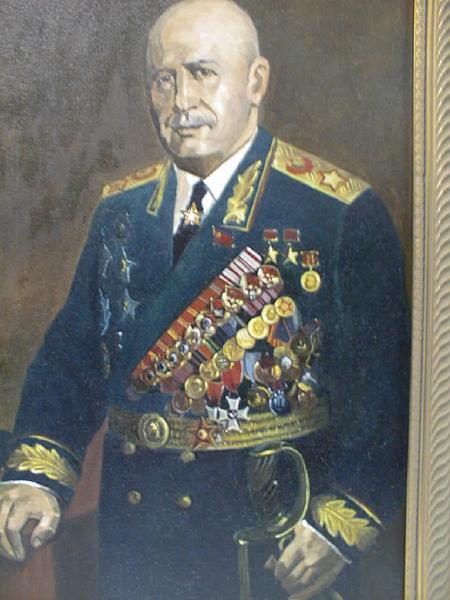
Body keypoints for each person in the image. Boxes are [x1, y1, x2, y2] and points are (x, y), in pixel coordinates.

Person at [0, 1, 410, 599]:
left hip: (262, 536)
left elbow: (389, 398)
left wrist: (340, 526)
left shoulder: (336, 212)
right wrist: (36, 478)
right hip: (136, 535)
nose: (181, 101)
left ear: (256, 81)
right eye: (163, 80)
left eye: (201, 73)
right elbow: (72, 360)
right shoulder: (120, 210)